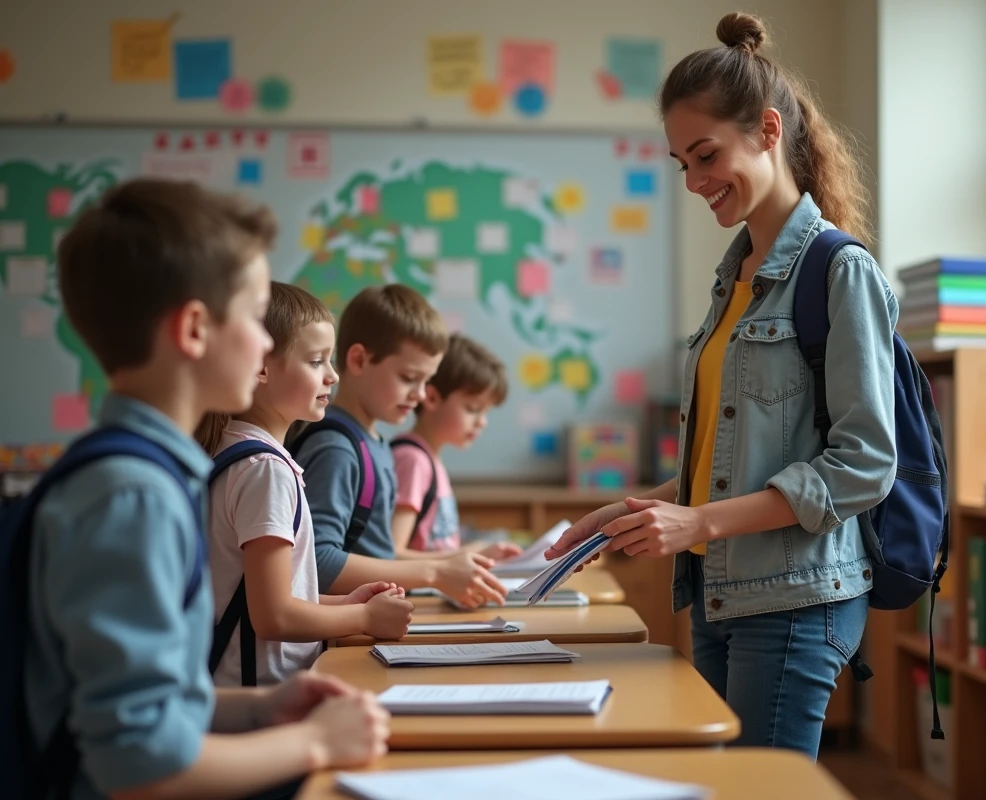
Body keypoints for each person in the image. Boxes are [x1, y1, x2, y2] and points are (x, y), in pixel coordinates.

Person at [546, 12, 898, 759]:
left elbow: (865, 464)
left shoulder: (840, 271)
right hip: (717, 591)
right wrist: (643, 508)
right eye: (682, 164)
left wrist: (699, 525)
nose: (696, 182)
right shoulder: (731, 279)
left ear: (769, 130)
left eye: (705, 155)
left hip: (796, 599)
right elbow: (737, 455)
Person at [24, 178, 388, 800]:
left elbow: (157, 710)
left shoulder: (151, 475)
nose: (269, 345)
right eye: (254, 319)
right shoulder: (131, 498)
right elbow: (141, 767)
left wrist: (264, 705)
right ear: (194, 329)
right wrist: (316, 742)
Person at [196, 281, 414, 688]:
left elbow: (253, 596)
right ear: (260, 366)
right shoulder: (264, 470)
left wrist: (342, 604)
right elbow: (274, 615)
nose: (332, 375)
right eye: (316, 361)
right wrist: (364, 618)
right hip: (262, 696)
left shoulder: (237, 453)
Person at [289, 284, 508, 609]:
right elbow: (317, 561)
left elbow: (381, 552)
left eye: (426, 380)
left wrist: (453, 564)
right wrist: (433, 572)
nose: (421, 394)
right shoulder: (337, 448)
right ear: (359, 360)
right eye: (409, 377)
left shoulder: (373, 443)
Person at [390, 333, 521, 561]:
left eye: (485, 412)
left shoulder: (430, 460)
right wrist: (470, 554)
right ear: (431, 398)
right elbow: (394, 555)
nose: (482, 421)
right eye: (473, 408)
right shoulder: (413, 461)